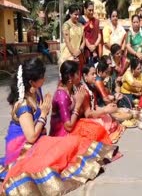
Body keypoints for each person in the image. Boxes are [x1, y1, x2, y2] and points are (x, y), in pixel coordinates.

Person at [0, 58, 118, 194]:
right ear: (32, 82)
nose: (44, 78)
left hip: (40, 138)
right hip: (23, 148)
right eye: (42, 76)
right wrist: (44, 113)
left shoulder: (36, 91)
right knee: (64, 150)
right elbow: (31, 137)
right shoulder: (23, 105)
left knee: (73, 143)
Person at [50, 60, 115, 145]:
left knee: (97, 128)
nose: (79, 76)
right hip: (62, 134)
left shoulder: (73, 87)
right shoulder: (62, 95)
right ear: (70, 77)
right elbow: (68, 127)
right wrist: (78, 105)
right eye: (77, 73)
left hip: (74, 124)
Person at [80, 64, 125, 143]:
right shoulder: (84, 91)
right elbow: (88, 114)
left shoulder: (92, 87)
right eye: (92, 74)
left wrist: (108, 107)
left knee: (109, 118)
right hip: (86, 119)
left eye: (95, 74)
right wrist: (105, 110)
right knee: (101, 124)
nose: (95, 76)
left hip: (94, 114)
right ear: (85, 76)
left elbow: (95, 106)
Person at [59, 4, 85, 70]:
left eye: (78, 15)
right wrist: (74, 54)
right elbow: (67, 42)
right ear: (70, 14)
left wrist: (80, 50)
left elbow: (83, 40)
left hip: (78, 54)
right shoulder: (66, 25)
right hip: (68, 55)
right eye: (75, 14)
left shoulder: (81, 25)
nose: (77, 16)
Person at [82, 0, 102, 65]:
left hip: (95, 49)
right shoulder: (80, 20)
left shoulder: (96, 21)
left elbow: (99, 35)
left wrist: (94, 46)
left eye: (92, 10)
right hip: (85, 50)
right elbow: (83, 36)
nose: (91, 12)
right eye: (89, 10)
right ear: (85, 9)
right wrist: (90, 47)